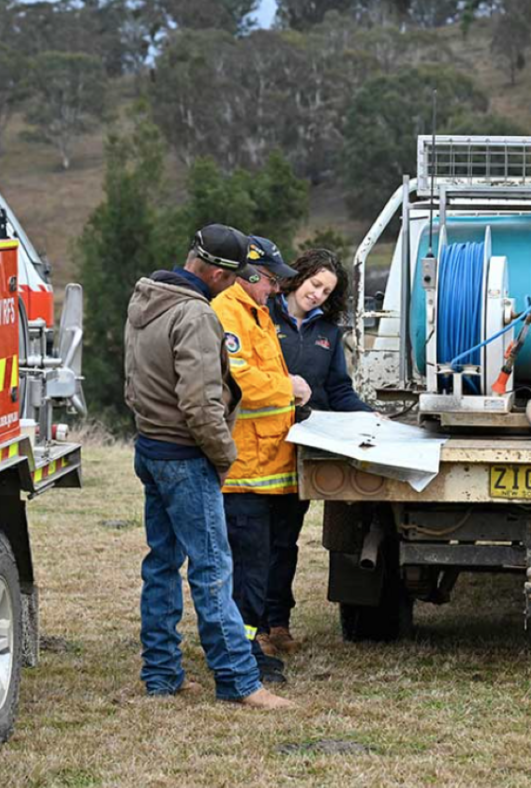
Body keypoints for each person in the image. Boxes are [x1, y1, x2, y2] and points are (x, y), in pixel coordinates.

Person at [124, 224, 291, 710]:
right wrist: (223, 456)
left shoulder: (146, 298)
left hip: (151, 447)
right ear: (217, 272)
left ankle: (161, 674)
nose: (237, 286)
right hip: (185, 456)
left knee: (161, 564)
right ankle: (239, 680)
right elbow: (200, 404)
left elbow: (134, 381)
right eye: (233, 277)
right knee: (214, 570)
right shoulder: (196, 315)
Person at [263, 248, 373, 656]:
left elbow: (339, 390)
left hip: (302, 451)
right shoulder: (263, 317)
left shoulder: (328, 332)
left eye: (326, 291)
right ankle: (252, 624)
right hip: (259, 447)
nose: (318, 294)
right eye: (314, 284)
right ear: (298, 276)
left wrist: (370, 418)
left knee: (286, 541)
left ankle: (278, 623)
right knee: (255, 540)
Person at [211, 235, 309, 684]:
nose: (275, 287)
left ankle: (247, 646)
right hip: (245, 472)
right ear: (249, 274)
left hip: (268, 466)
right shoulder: (228, 312)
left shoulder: (257, 310)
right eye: (270, 279)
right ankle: (242, 652)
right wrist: (288, 389)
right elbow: (237, 376)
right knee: (246, 570)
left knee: (259, 564)